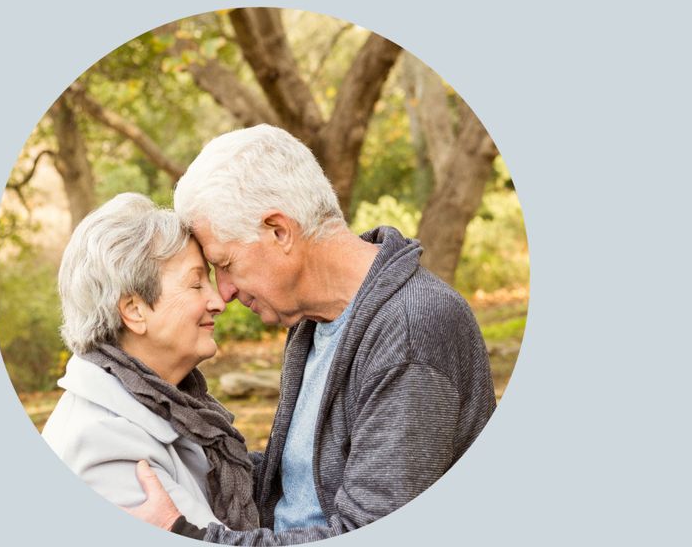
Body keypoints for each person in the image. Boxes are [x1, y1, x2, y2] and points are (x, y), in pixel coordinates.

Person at [130, 123, 496, 543]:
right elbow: (299, 486)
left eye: (225, 263)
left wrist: (183, 533)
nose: (225, 292)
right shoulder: (316, 321)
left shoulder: (411, 330)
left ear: (279, 231)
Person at [42, 194, 260, 532]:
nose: (218, 301)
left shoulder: (173, 408)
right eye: (196, 282)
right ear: (134, 310)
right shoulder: (103, 445)